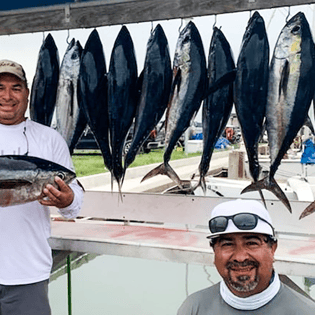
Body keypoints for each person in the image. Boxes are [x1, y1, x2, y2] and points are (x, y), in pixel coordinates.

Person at [0, 59, 84, 314]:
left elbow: (75, 203)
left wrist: (67, 200)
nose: (7, 96)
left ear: (27, 93)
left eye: (16, 87)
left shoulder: (49, 139)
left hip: (26, 271)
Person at [177, 199, 315, 314]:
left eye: (251, 243)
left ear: (272, 248)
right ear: (214, 251)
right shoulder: (194, 308)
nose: (240, 257)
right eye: (227, 244)